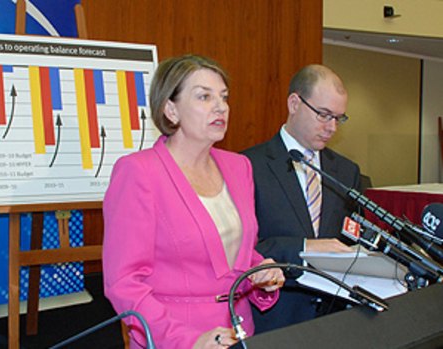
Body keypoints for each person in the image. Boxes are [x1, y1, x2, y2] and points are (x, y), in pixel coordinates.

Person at [102, 54, 285, 349]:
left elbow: (235, 251)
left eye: (224, 97)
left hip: (240, 333)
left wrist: (261, 272)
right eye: (204, 96)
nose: (220, 106)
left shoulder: (239, 167)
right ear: (170, 110)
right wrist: (184, 341)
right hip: (173, 338)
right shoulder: (139, 172)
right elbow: (123, 282)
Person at [242, 64, 361, 333]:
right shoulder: (247, 166)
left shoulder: (347, 172)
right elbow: (240, 250)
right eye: (323, 115)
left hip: (335, 320)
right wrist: (306, 247)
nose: (331, 127)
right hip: (275, 319)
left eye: (339, 118)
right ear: (294, 103)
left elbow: (351, 239)